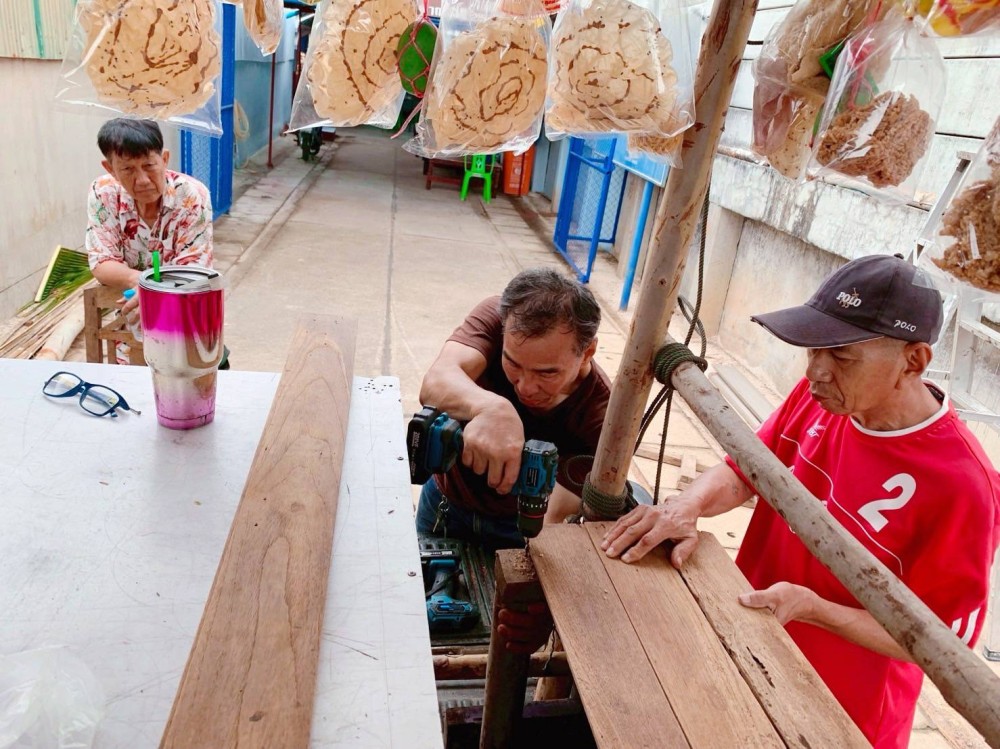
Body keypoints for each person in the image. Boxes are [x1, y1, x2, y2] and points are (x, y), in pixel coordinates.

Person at [601, 254, 1000, 749]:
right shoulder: (821, 399)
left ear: (913, 361)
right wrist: (687, 505)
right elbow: (746, 468)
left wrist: (815, 609)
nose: (816, 372)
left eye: (842, 357)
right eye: (812, 350)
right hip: (753, 643)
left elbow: (944, 640)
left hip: (843, 709)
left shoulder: (964, 484)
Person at [416, 268, 610, 551]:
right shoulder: (494, 315)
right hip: (443, 505)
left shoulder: (603, 420)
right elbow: (436, 381)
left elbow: (551, 517)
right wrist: (492, 409)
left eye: (547, 373)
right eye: (513, 363)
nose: (525, 387)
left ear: (587, 353)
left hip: (516, 528)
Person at [85, 118, 213, 363]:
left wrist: (152, 292)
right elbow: (101, 262)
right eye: (128, 169)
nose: (142, 180)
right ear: (110, 169)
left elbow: (194, 271)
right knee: (129, 380)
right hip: (131, 319)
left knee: (187, 375)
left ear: (164, 159)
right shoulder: (103, 193)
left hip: (185, 316)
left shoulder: (192, 195)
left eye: (149, 165)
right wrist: (142, 283)